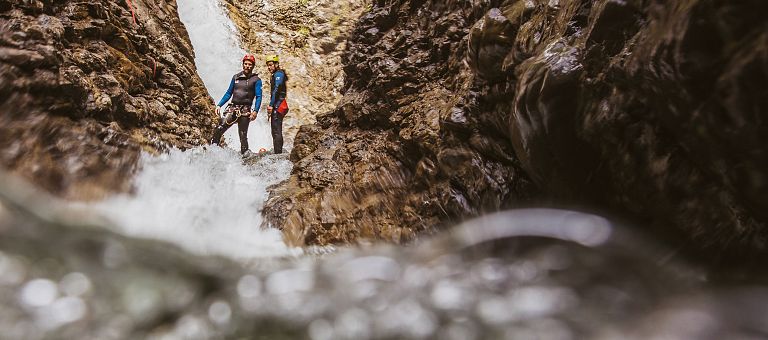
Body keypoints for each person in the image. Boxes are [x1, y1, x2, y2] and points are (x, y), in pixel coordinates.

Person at [210, 54, 262, 155]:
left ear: (253, 66)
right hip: (233, 108)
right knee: (219, 128)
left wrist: (255, 111)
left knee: (243, 136)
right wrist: (219, 105)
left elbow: (259, 96)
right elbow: (229, 93)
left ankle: (245, 158)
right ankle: (212, 151)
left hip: (245, 110)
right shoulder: (236, 77)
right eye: (245, 64)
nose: (247, 66)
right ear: (243, 64)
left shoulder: (256, 80)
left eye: (250, 64)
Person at [265, 54, 288, 154]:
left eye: (270, 65)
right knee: (275, 129)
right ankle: (278, 151)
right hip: (278, 104)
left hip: (278, 105)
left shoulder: (279, 74)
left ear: (276, 64)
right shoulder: (277, 74)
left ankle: (278, 153)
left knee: (276, 130)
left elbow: (276, 89)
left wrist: (271, 105)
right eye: (268, 65)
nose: (269, 67)